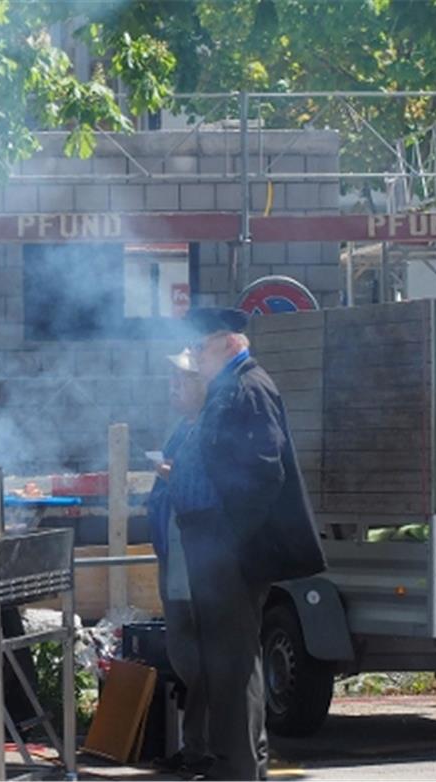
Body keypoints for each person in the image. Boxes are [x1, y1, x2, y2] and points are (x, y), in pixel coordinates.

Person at [167, 307, 326, 780]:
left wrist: (229, 535)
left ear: (229, 344)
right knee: (229, 662)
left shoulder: (246, 388)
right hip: (214, 545)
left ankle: (236, 769)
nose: (195, 356)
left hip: (228, 549)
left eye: (201, 347)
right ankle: (236, 764)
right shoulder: (230, 387)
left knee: (232, 664)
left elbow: (262, 471)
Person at [146, 348, 211, 777]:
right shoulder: (182, 428)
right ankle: (194, 748)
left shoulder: (209, 428)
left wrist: (172, 474)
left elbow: (207, 487)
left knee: (199, 660)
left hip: (197, 563)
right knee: (185, 657)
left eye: (182, 380)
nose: (174, 387)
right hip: (175, 559)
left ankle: (207, 750)